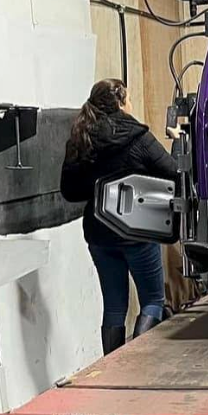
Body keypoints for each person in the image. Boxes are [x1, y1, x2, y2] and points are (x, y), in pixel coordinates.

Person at [60, 79, 177, 355]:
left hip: (99, 234)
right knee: (153, 301)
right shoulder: (137, 137)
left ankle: (111, 368)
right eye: (129, 99)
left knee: (114, 306)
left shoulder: (81, 139)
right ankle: (137, 363)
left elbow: (69, 191)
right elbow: (173, 172)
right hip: (137, 232)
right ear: (121, 102)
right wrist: (176, 142)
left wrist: (100, 187)